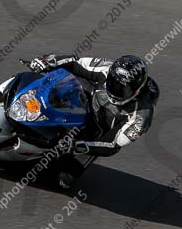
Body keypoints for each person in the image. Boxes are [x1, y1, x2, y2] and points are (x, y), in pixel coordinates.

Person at [28, 53, 159, 188]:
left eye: (123, 89)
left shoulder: (141, 116)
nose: (115, 90)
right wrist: (48, 62)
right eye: (113, 83)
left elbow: (112, 144)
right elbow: (76, 62)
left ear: (137, 91)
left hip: (95, 136)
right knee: (50, 79)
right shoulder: (108, 68)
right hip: (85, 102)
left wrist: (77, 145)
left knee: (62, 181)